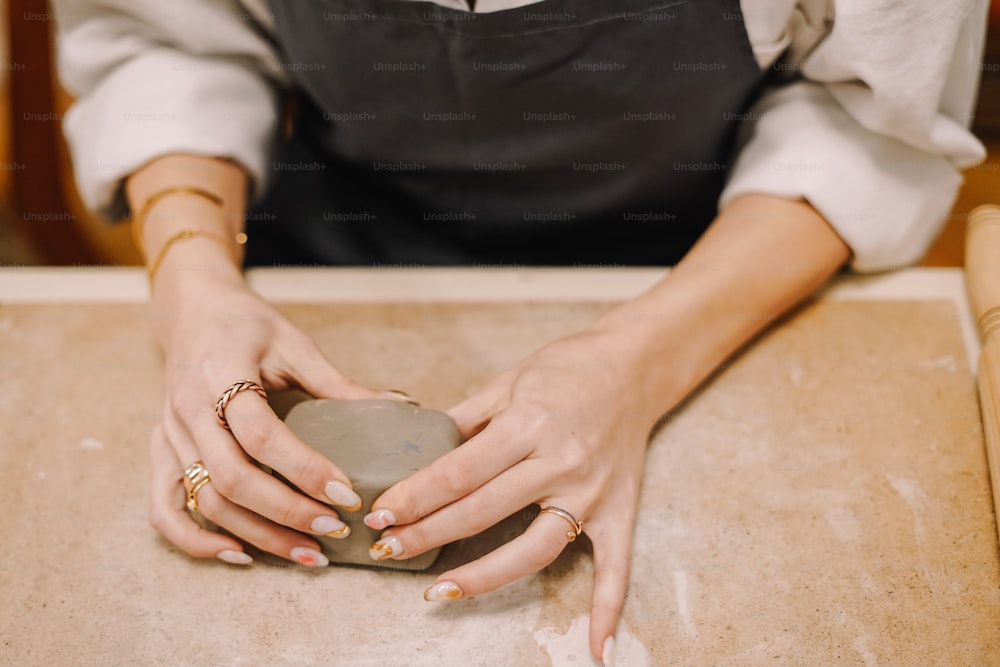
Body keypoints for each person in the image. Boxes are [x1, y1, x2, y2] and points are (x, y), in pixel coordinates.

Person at [52, 0, 987, 662]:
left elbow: (868, 115)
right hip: (314, 273)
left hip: (715, 266)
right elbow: (171, 45)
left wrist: (641, 358)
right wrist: (192, 281)